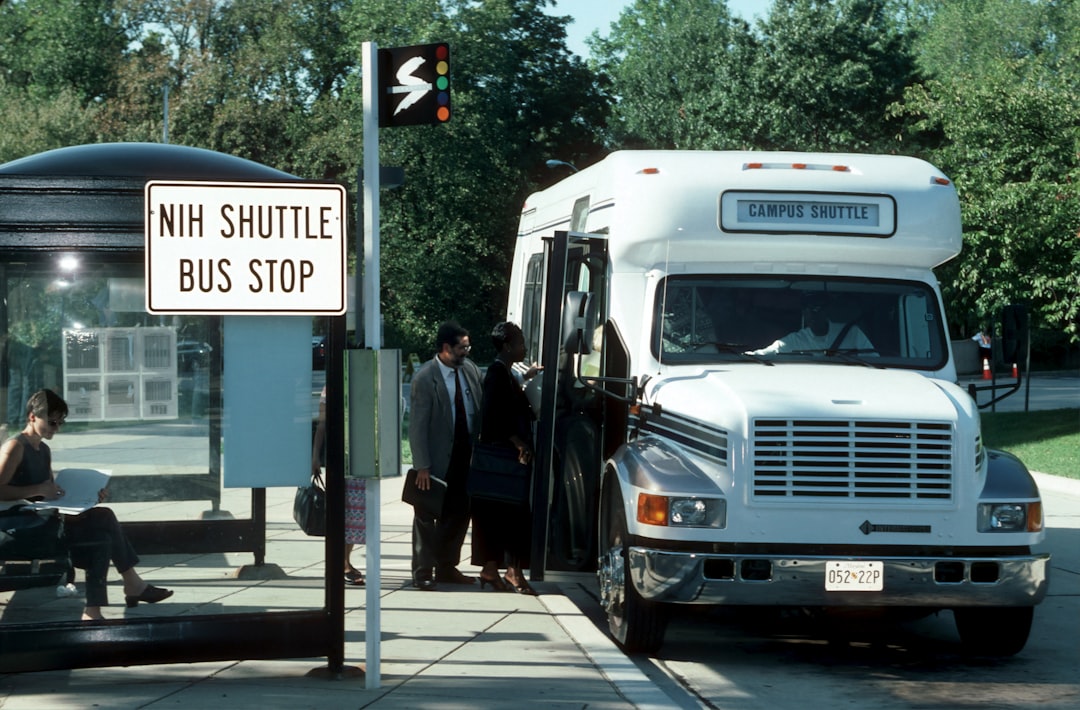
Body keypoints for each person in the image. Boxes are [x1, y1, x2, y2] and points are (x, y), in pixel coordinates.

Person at [0, 389, 173, 620]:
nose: (56, 429)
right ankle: (125, 589)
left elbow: (49, 495)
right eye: (51, 422)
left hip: (41, 520)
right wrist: (39, 490)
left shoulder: (43, 449)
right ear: (32, 417)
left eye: (60, 423)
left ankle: (100, 606)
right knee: (102, 531)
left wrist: (87, 497)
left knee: (102, 522)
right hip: (18, 527)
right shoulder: (15, 447)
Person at [407, 321, 483, 590]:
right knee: (427, 516)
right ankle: (423, 572)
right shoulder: (426, 378)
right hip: (437, 461)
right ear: (445, 348)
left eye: (467, 346)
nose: (466, 352)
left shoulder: (470, 369)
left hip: (466, 457)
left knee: (460, 513)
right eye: (462, 347)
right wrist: (422, 466)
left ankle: (447, 567)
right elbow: (417, 426)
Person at [471, 322, 541, 594]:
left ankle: (491, 570)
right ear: (507, 346)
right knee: (514, 514)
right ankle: (513, 572)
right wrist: (517, 442)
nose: (524, 347)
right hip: (505, 456)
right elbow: (493, 416)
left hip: (506, 456)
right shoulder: (496, 375)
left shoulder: (505, 373)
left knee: (500, 515)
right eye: (521, 342)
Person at [311, 385, 365, 586]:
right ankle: (342, 563)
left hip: (361, 456)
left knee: (354, 512)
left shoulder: (365, 382)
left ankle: (344, 561)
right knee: (341, 512)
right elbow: (322, 423)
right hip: (338, 458)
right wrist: (316, 455)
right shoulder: (330, 388)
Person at [750, 293, 875, 355]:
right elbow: (765, 354)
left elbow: (875, 359)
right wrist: (737, 357)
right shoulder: (794, 341)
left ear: (826, 311)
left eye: (817, 310)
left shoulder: (852, 333)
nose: (813, 315)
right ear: (804, 313)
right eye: (808, 311)